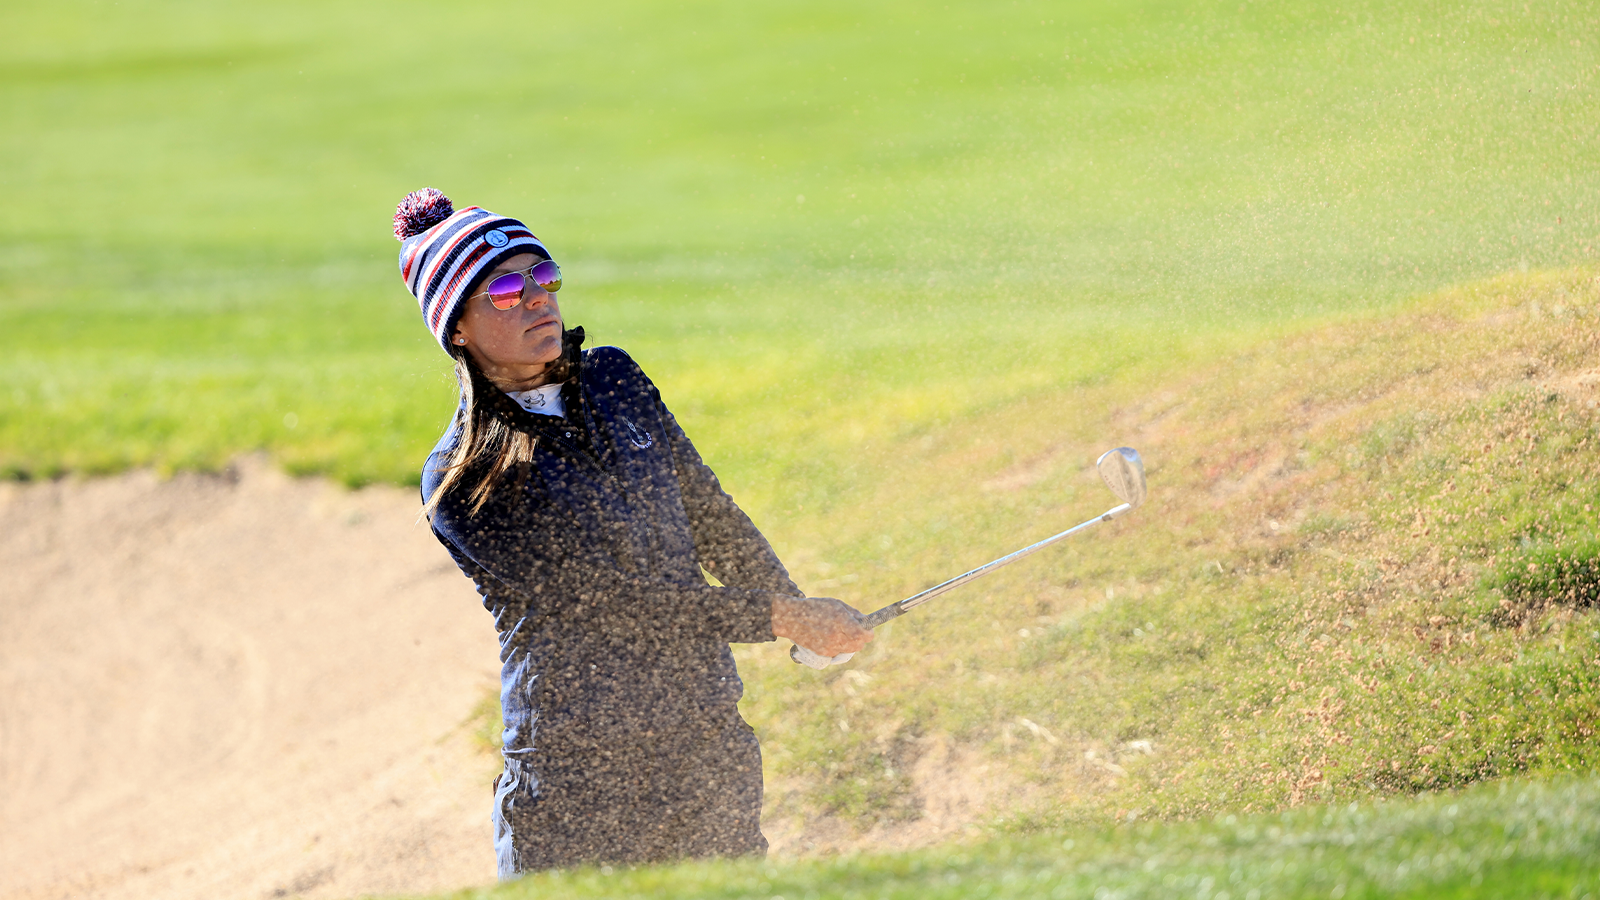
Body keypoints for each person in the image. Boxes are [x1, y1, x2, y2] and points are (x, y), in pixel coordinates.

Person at [391, 188, 873, 876]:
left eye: (544, 276)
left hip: (704, 740)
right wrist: (780, 616)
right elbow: (609, 604)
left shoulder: (615, 378)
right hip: (576, 773)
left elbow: (710, 513)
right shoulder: (465, 476)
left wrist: (796, 608)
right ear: (457, 328)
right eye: (502, 289)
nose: (536, 298)